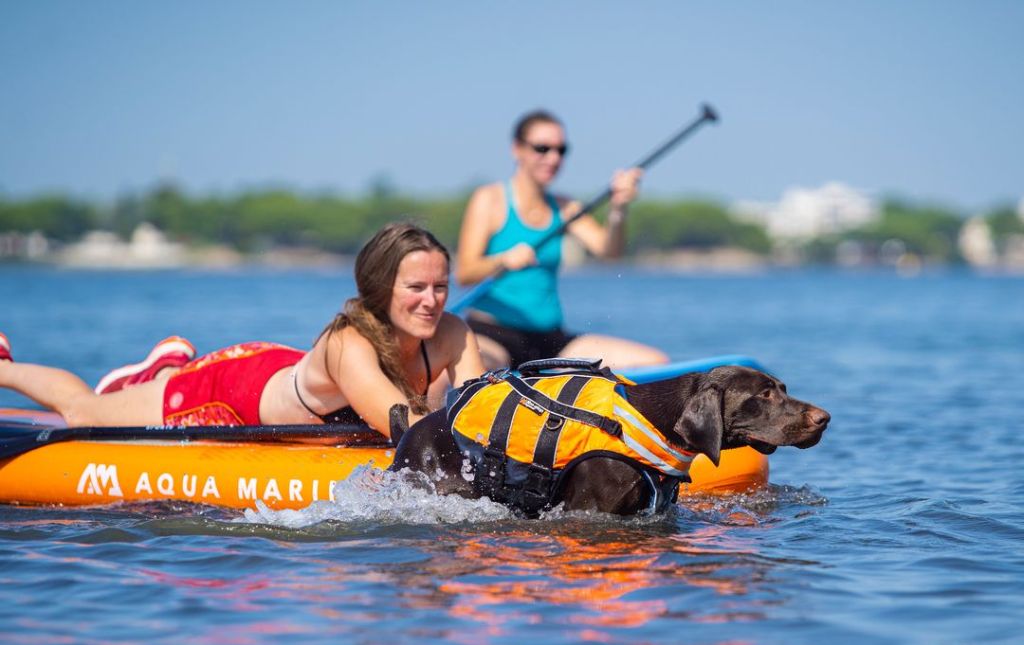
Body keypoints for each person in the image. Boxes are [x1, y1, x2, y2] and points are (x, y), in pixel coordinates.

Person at [0, 222, 484, 439]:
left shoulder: (452, 332)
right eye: (416, 286)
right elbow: (405, 427)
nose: (432, 300)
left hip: (278, 369)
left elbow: (480, 408)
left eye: (441, 286)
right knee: (83, 412)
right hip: (228, 392)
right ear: (381, 287)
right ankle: (8, 368)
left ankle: (162, 371)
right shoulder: (348, 342)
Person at [456, 109, 669, 370]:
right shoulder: (489, 199)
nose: (553, 158)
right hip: (492, 335)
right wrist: (504, 260)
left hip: (550, 339)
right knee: (478, 368)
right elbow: (464, 273)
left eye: (561, 149)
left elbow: (609, 252)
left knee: (655, 363)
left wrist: (618, 208)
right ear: (517, 149)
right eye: (542, 148)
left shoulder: (565, 207)